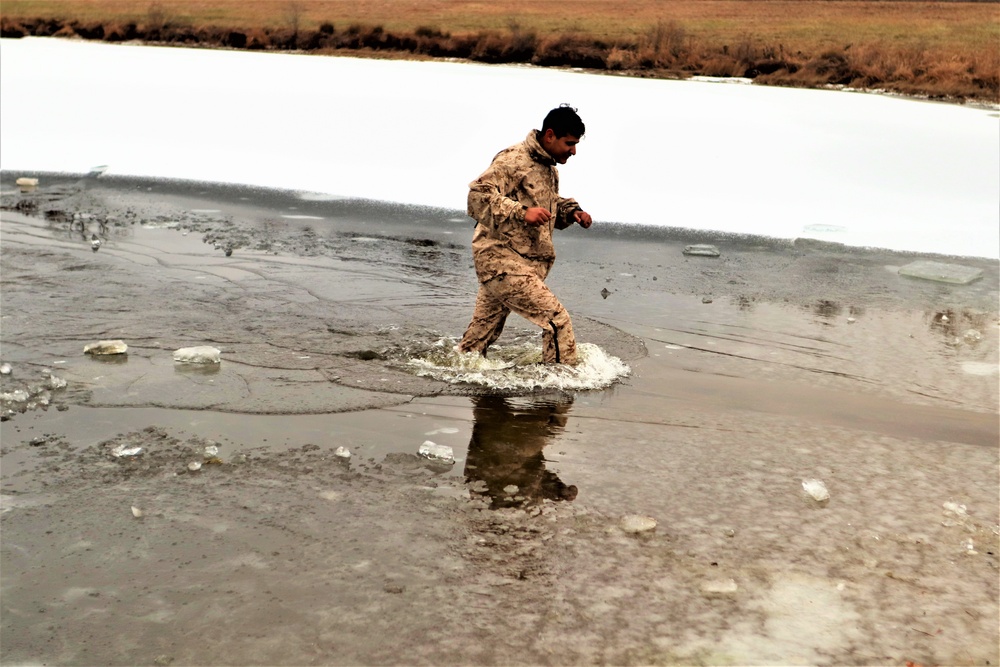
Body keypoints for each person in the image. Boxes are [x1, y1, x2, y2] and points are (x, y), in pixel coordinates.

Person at [457, 105, 594, 365]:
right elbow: (478, 196)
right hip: (500, 261)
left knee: (475, 346)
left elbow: (545, 204)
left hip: (521, 263)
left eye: (576, 145)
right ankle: (562, 389)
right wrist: (522, 212)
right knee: (557, 321)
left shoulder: (549, 168)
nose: (574, 151)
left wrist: (571, 212)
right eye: (570, 143)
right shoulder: (513, 160)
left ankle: (461, 383)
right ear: (550, 135)